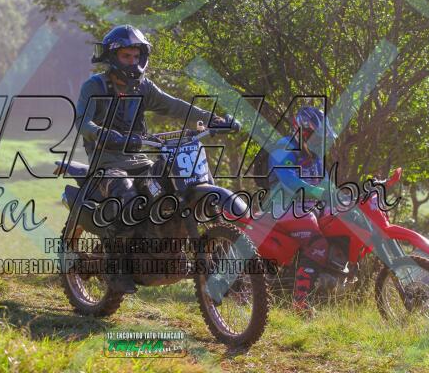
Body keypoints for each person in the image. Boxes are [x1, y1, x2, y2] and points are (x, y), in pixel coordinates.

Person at [75, 24, 237, 293]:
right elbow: (83, 122)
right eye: (126, 56)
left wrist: (212, 119)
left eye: (136, 56)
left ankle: (170, 250)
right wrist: (103, 133)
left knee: (170, 186)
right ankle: (115, 267)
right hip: (106, 163)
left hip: (139, 160)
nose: (133, 61)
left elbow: (176, 106)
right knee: (127, 198)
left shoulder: (143, 87)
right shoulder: (94, 86)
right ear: (113, 57)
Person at [267, 106, 337, 313]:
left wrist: (343, 198)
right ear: (303, 132)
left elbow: (326, 183)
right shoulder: (284, 148)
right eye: (317, 137)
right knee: (318, 243)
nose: (320, 142)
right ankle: (300, 303)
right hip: (283, 207)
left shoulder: (314, 155)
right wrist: (318, 192)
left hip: (308, 207)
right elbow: (289, 180)